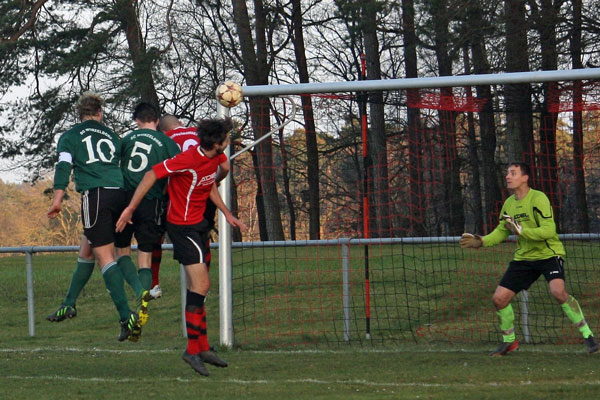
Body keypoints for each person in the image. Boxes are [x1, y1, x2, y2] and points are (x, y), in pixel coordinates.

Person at [116, 117, 247, 376]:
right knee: (201, 286)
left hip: (197, 225)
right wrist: (130, 207)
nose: (229, 142)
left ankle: (203, 347)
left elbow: (208, 184)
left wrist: (226, 213)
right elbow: (152, 173)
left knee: (198, 287)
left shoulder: (211, 160)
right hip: (181, 227)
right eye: (227, 138)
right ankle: (191, 350)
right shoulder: (188, 159)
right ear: (218, 143)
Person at [460, 162, 598, 356]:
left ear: (525, 178)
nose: (508, 176)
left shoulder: (538, 198)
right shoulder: (509, 204)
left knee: (558, 292)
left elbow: (549, 231)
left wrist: (522, 230)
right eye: (507, 173)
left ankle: (588, 336)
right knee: (499, 299)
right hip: (524, 258)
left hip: (548, 254)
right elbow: (502, 231)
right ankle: (509, 342)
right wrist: (482, 241)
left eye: (513, 173)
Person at [46, 92, 142, 342]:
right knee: (87, 250)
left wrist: (57, 199)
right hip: (121, 195)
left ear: (80, 114)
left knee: (104, 257)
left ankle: (126, 317)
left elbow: (63, 166)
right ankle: (69, 303)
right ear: (99, 113)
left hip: (96, 196)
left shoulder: (69, 137)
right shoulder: (112, 135)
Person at [147, 115, 230, 293]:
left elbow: (161, 169)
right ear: (182, 124)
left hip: (179, 197)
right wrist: (214, 181)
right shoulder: (200, 134)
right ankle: (201, 284)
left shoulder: (165, 138)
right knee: (203, 234)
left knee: (156, 237)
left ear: (163, 131)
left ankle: (154, 283)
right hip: (204, 190)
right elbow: (225, 167)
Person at [114, 103, 180, 328]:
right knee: (145, 255)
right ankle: (142, 306)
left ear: (136, 120)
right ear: (157, 120)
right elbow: (178, 171)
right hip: (151, 203)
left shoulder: (127, 139)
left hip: (125, 201)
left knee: (121, 251)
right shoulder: (167, 142)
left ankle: (137, 292)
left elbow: (114, 163)